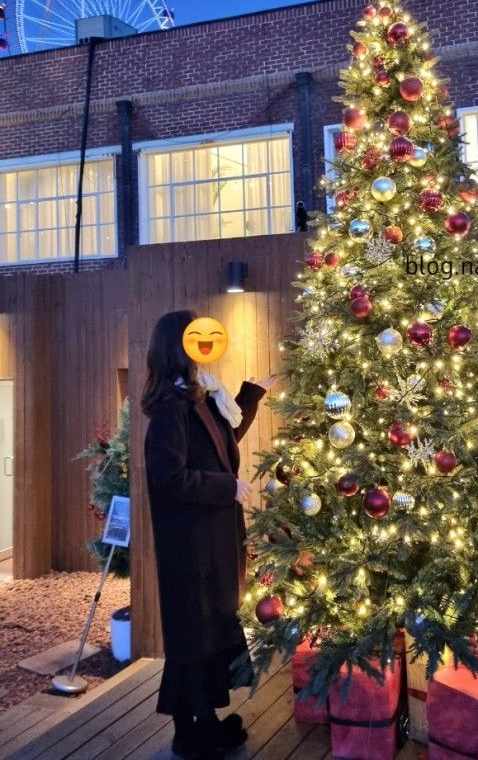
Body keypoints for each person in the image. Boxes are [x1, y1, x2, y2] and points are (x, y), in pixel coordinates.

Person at [142, 310, 276, 760]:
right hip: (190, 546)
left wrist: (251, 395)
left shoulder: (202, 397)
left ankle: (208, 723)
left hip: (213, 538)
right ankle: (188, 734)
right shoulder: (169, 409)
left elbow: (224, 442)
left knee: (212, 630)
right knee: (192, 637)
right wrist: (228, 487)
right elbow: (169, 477)